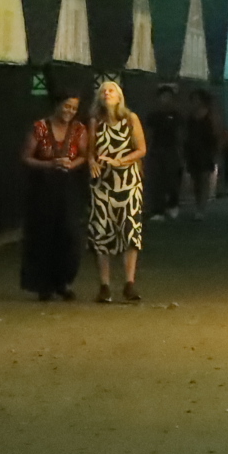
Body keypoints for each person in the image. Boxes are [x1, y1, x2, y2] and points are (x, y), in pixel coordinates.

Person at [19, 94, 90, 302]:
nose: (69, 111)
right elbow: (25, 157)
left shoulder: (78, 129)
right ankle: (44, 284)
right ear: (57, 105)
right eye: (66, 106)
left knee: (69, 234)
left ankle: (64, 281)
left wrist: (72, 163)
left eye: (74, 108)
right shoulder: (40, 128)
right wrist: (49, 164)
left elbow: (85, 154)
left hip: (68, 187)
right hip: (43, 187)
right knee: (43, 234)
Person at [87, 77, 147, 302]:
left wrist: (120, 161)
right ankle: (104, 285)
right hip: (103, 183)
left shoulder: (130, 119)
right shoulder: (96, 121)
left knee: (129, 231)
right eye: (104, 91)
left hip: (128, 182)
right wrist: (92, 161)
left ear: (120, 96)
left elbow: (141, 149)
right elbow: (90, 150)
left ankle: (129, 283)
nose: (107, 93)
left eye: (112, 90)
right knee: (102, 231)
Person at [145, 81, 184, 222]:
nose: (165, 100)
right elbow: (149, 134)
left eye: (168, 97)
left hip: (171, 150)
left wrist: (180, 152)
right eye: (163, 97)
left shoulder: (177, 116)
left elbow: (180, 135)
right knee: (157, 181)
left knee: (172, 179)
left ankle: (173, 204)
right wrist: (148, 151)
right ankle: (157, 210)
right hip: (156, 150)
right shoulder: (153, 116)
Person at [183, 88, 223, 218]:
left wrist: (216, 151)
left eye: (196, 99)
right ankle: (198, 205)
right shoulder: (190, 116)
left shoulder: (210, 115)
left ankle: (201, 208)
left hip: (206, 150)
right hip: (192, 150)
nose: (194, 102)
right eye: (193, 100)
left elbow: (216, 133)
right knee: (196, 180)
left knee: (204, 179)